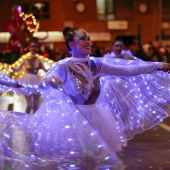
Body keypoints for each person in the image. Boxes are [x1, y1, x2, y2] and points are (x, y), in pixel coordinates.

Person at [0, 27, 170, 170]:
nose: (88, 41)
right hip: (73, 120)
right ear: (72, 44)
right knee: (76, 160)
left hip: (96, 117)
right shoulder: (64, 66)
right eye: (82, 39)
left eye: (88, 38)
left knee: (96, 159)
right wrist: (50, 81)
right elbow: (44, 84)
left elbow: (130, 70)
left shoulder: (97, 64)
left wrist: (158, 66)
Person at [9, 39, 54, 113]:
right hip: (27, 81)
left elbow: (45, 70)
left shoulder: (39, 59)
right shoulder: (26, 58)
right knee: (29, 105)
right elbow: (18, 68)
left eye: (35, 46)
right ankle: (27, 121)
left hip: (36, 81)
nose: (33, 48)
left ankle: (34, 122)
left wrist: (53, 68)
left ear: (37, 48)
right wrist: (11, 67)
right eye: (32, 46)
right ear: (29, 48)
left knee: (36, 105)